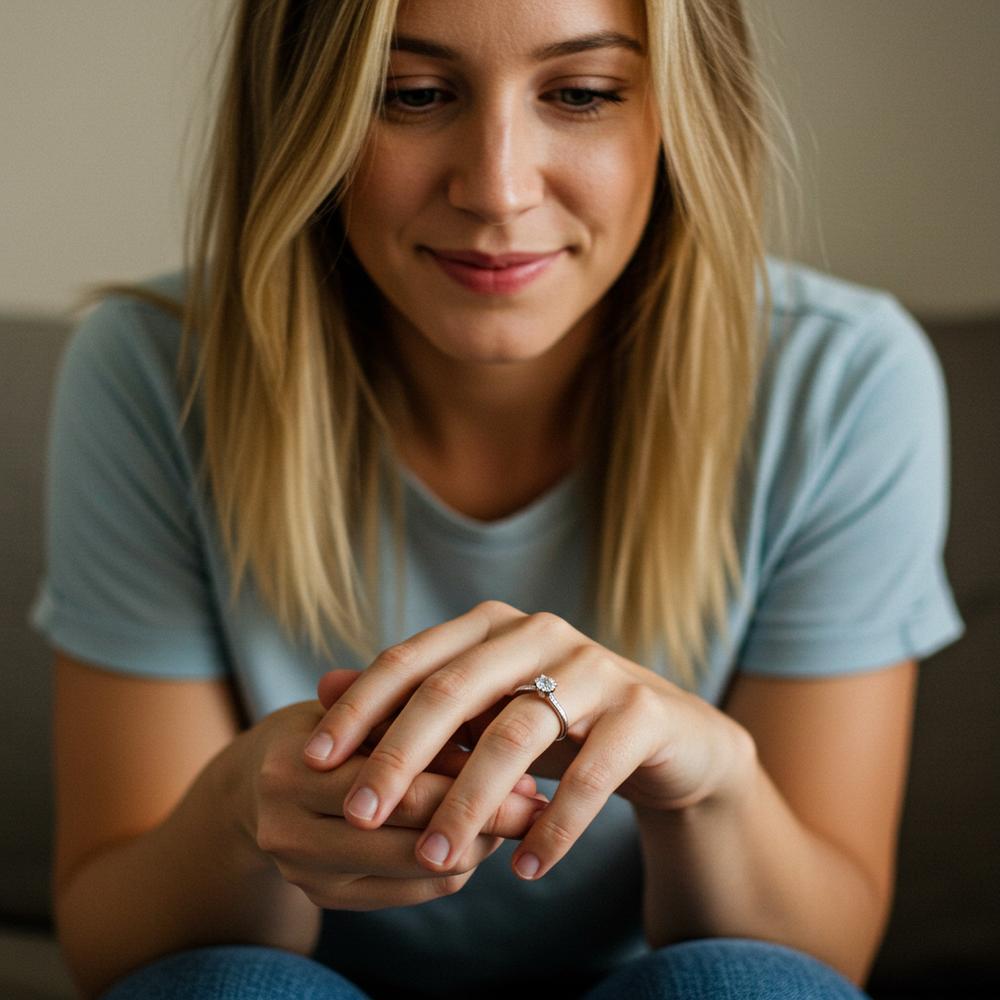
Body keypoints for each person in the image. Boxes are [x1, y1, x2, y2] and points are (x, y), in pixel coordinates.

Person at [30, 0, 965, 998]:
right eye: (414, 95)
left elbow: (821, 957)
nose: (498, 188)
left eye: (582, 94)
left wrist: (709, 778)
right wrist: (236, 813)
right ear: (304, 118)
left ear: (682, 114)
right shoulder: (152, 375)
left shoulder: (840, 379)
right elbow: (117, 949)